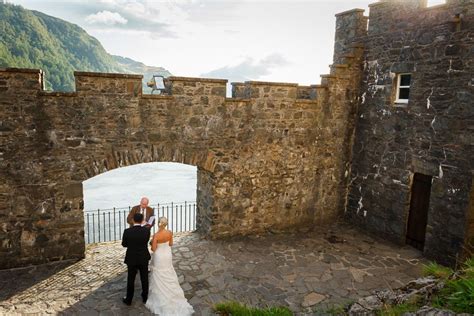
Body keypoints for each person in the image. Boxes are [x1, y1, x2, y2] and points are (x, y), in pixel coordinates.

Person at [146, 217, 194, 315]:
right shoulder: (169, 233)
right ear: (166, 224)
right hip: (167, 255)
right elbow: (171, 243)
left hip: (159, 256)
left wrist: (152, 243)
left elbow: (153, 249)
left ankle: (161, 296)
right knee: (168, 271)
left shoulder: (156, 235)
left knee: (159, 273)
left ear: (158, 224)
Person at [122, 213, 151, 306]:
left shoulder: (127, 231)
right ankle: (145, 297)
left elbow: (124, 244)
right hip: (143, 257)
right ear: (142, 220)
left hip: (131, 258)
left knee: (131, 279)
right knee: (144, 278)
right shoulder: (146, 231)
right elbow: (146, 241)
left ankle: (129, 299)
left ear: (133, 220)